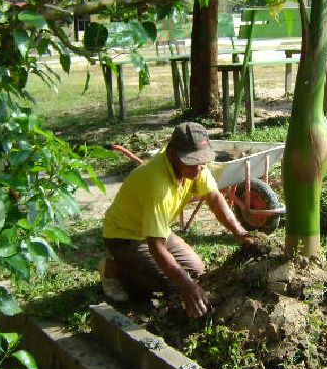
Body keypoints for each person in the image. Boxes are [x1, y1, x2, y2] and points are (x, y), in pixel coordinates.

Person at [100, 122, 254, 317]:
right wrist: (186, 286)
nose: (199, 169)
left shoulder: (195, 167)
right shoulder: (157, 185)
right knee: (173, 286)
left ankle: (160, 276)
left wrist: (240, 233)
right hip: (124, 236)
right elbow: (155, 246)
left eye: (202, 160)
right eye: (192, 161)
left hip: (156, 229)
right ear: (173, 155)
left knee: (197, 270)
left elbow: (214, 198)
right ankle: (113, 269)